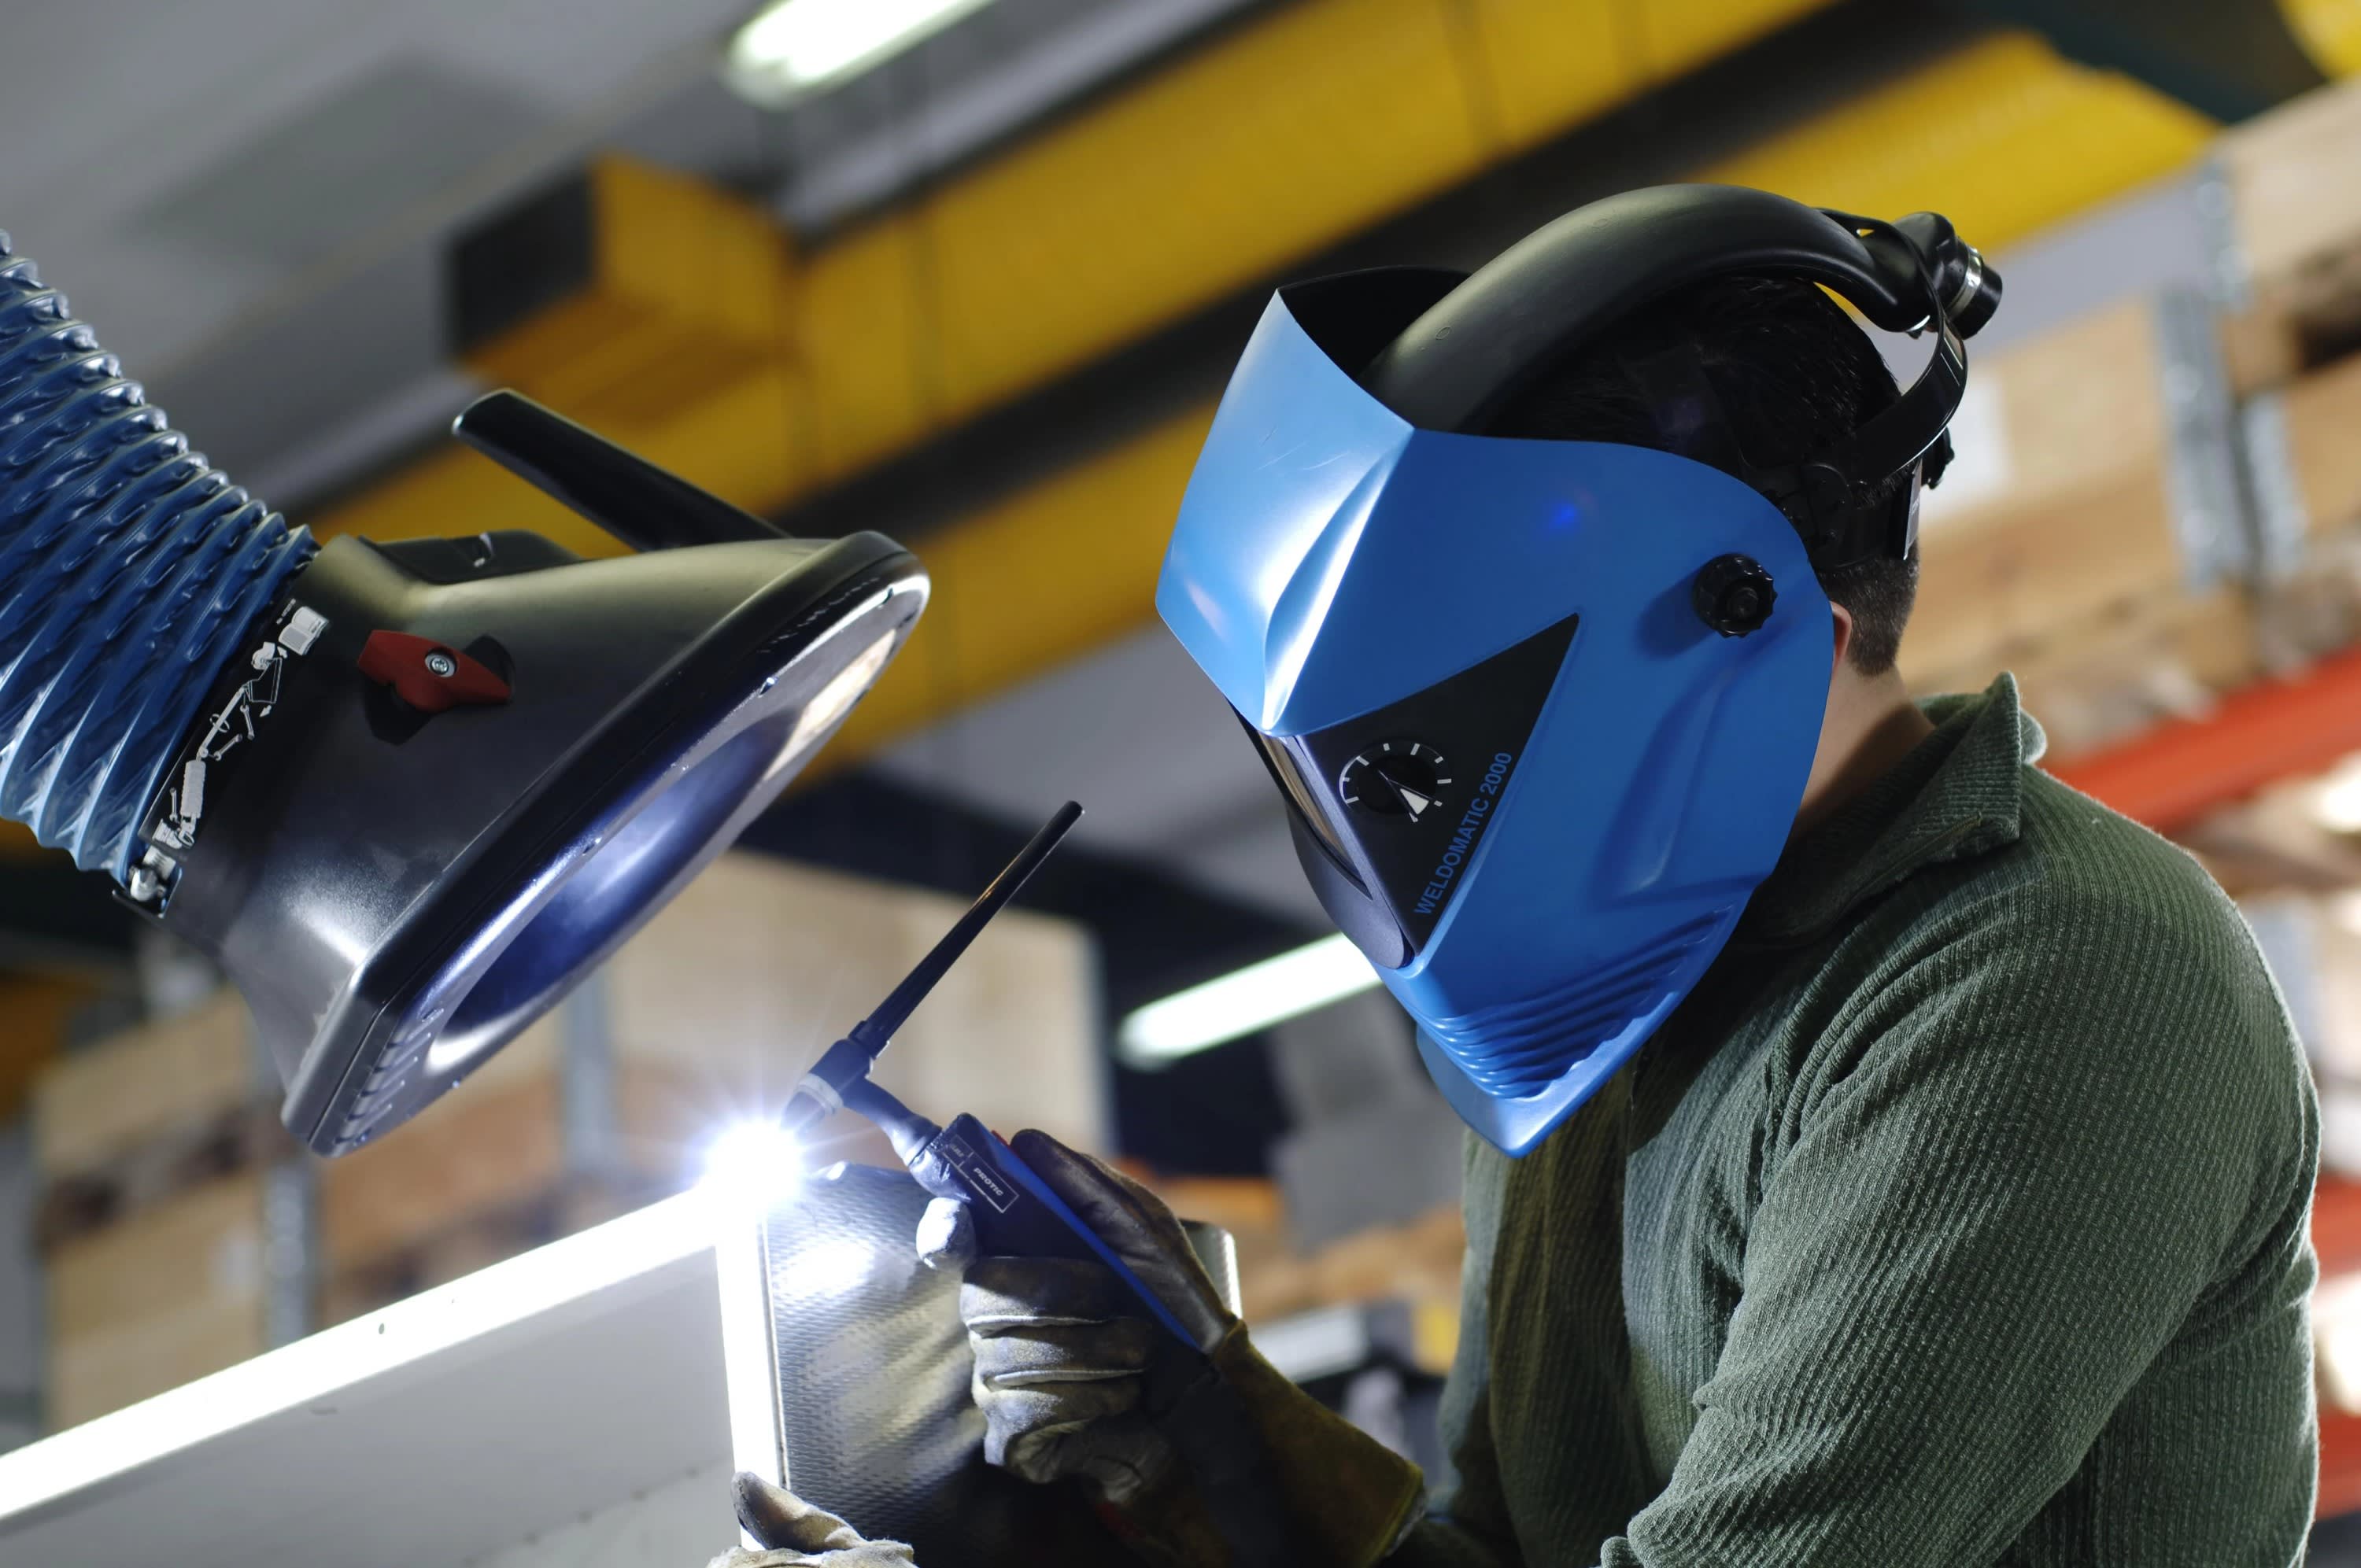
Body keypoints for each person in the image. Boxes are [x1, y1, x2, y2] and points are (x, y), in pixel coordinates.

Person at [714, 190, 2319, 1566]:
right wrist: (1202, 1409)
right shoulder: (1616, 1012)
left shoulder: (2051, 979)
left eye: (1431, 738)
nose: (1392, 811)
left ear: (1742, 629)